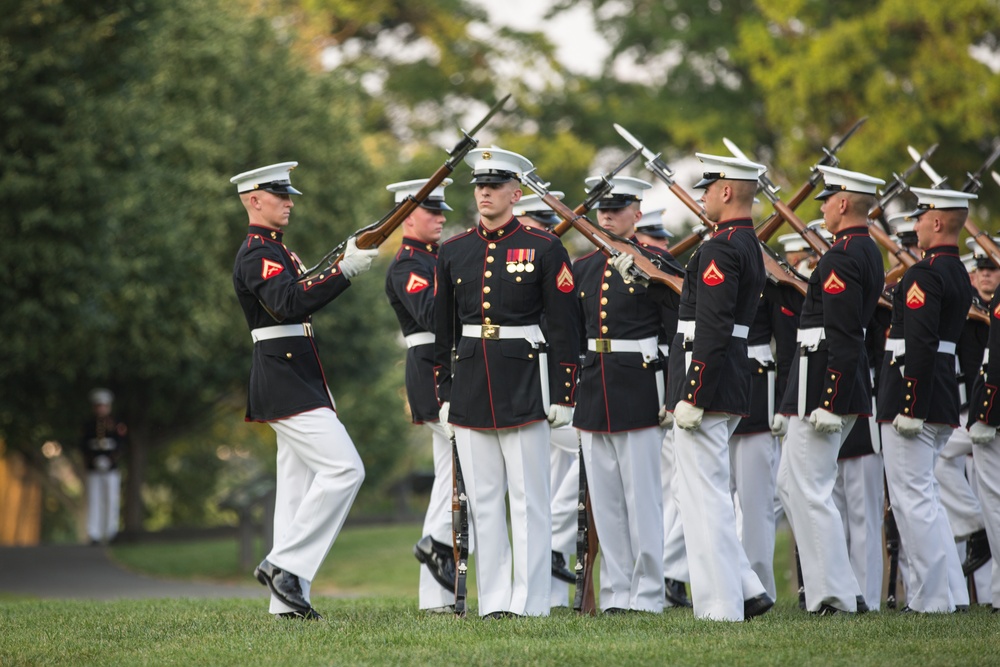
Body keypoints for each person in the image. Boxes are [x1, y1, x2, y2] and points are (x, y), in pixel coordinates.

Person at [434, 147, 581, 618]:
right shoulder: (453, 251)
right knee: (482, 503)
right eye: (479, 185)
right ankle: (494, 601)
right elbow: (442, 332)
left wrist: (563, 392)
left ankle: (531, 601)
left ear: (516, 193)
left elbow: (564, 327)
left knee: (529, 500)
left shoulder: (544, 247)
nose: (484, 192)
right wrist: (443, 392)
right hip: (474, 382)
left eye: (494, 186)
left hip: (525, 381)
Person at [231, 161, 378, 620]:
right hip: (285, 379)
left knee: (295, 490)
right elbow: (288, 303)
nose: (290, 202)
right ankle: (284, 565)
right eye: (280, 195)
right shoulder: (258, 254)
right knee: (345, 470)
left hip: (295, 376)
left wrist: (340, 259)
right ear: (255, 200)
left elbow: (299, 287)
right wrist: (345, 273)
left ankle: (286, 605)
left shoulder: (276, 250)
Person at [659, 152, 772, 621]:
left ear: (727, 191)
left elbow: (714, 327)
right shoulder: (745, 244)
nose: (702, 195)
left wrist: (693, 393)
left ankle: (722, 605)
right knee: (702, 493)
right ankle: (745, 588)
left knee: (704, 499)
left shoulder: (722, 249)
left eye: (707, 187)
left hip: (710, 380)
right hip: (725, 376)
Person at [775, 166, 885, 615]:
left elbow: (843, 334)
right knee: (791, 484)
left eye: (826, 199)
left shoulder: (841, 257)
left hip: (823, 387)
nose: (820, 207)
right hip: (818, 383)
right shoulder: (866, 251)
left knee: (812, 489)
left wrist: (829, 400)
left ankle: (838, 593)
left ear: (843, 203)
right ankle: (830, 588)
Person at [575, 175, 679, 613]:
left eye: (617, 208)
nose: (608, 216)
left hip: (639, 385)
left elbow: (676, 336)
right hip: (594, 386)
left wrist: (672, 396)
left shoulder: (657, 263)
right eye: (602, 209)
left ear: (637, 214)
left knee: (643, 499)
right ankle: (618, 592)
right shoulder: (582, 267)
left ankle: (649, 593)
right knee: (607, 501)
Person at [877, 186, 977, 613]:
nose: (914, 224)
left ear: (937, 221)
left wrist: (909, 405)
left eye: (919, 216)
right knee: (927, 497)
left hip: (914, 395)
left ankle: (932, 599)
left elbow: (918, 342)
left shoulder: (924, 274)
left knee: (911, 498)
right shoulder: (957, 272)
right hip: (939, 393)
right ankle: (949, 592)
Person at [383, 178, 458, 614]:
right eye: (433, 211)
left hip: (443, 368)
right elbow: (432, 313)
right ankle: (437, 542)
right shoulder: (408, 264)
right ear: (409, 216)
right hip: (431, 370)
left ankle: (435, 596)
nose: (442, 218)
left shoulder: (434, 259)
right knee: (458, 465)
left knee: (452, 472)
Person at [512, 192, 580, 608]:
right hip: (529, 384)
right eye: (536, 220)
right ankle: (554, 542)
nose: (543, 228)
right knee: (589, 445)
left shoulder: (548, 256)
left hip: (551, 383)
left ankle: (553, 569)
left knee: (557, 474)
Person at [935, 238, 995, 595]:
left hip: (992, 413)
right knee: (940, 457)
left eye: (992, 269)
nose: (986, 275)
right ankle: (975, 527)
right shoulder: (965, 309)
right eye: (982, 270)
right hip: (971, 414)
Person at [80, 388, 126, 545]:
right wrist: (94, 460)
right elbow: (84, 445)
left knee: (111, 499)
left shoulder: (116, 424)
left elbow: (120, 445)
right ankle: (94, 533)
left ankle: (111, 531)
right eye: (98, 406)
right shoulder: (89, 425)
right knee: (94, 499)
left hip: (111, 468)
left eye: (103, 406)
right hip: (93, 468)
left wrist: (109, 460)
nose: (101, 409)